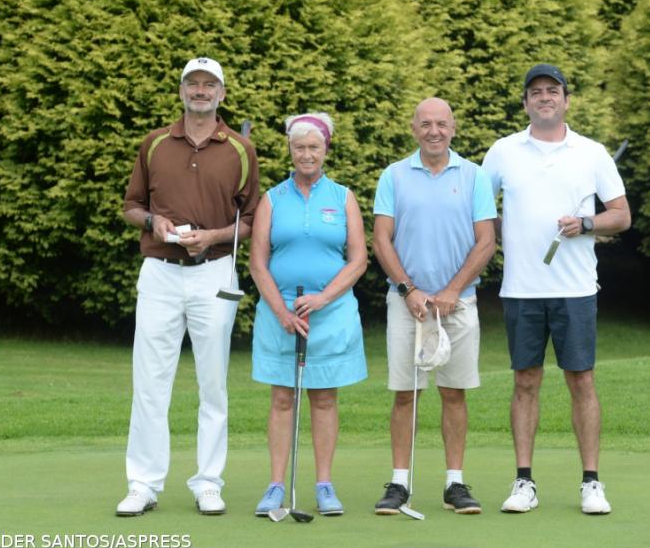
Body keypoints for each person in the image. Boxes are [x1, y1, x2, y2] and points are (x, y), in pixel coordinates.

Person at [481, 64, 631, 515]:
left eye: (553, 91)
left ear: (566, 100)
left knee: (581, 379)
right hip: (522, 288)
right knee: (525, 380)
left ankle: (591, 483)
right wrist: (505, 234)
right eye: (535, 92)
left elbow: (621, 215)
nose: (544, 97)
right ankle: (524, 482)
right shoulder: (503, 152)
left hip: (575, 289)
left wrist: (586, 223)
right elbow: (482, 213)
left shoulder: (592, 153)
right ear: (526, 103)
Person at [116, 57, 260, 516]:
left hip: (214, 272)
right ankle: (143, 483)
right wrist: (154, 221)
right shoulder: (155, 143)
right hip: (160, 271)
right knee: (150, 382)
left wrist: (214, 237)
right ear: (182, 90)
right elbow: (132, 206)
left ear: (221, 93)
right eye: (193, 83)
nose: (200, 91)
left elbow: (252, 219)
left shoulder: (240, 149)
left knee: (212, 382)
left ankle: (208, 481)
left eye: (209, 85)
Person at [371, 98, 497, 515]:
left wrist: (452, 290)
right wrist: (408, 289)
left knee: (454, 392)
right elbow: (382, 239)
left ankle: (454, 484)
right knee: (405, 394)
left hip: (458, 304)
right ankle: (399, 483)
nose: (434, 131)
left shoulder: (475, 176)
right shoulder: (394, 175)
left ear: (453, 128)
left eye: (441, 123)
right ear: (413, 129)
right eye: (425, 124)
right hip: (407, 304)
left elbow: (486, 242)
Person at [249, 112, 368, 517]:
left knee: (323, 399)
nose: (306, 154)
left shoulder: (342, 197)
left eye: (313, 147)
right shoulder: (272, 198)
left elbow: (358, 260)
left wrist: (322, 299)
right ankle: (275, 485)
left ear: (325, 150)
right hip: (279, 312)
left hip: (330, 313)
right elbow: (257, 263)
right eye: (299, 147)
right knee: (282, 398)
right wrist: (282, 311)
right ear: (290, 150)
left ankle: (324, 484)